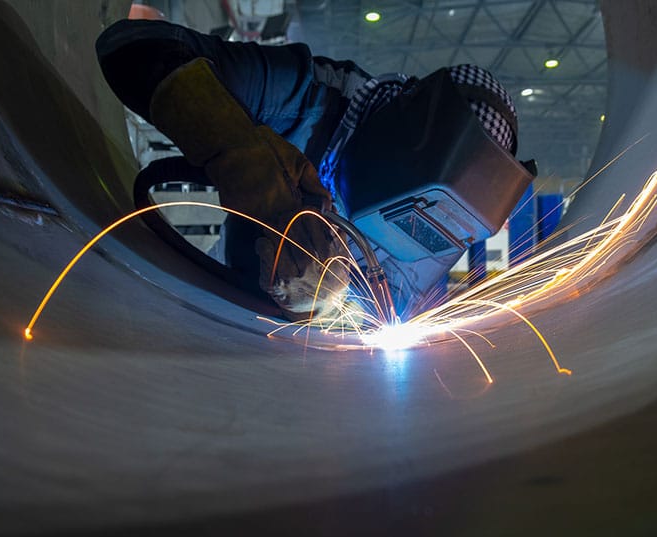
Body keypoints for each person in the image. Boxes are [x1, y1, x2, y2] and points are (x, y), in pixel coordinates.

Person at [95, 18, 524, 320]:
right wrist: (240, 150)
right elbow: (132, 46)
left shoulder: (448, 227)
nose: (419, 226)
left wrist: (322, 307)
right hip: (218, 297)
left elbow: (391, 315)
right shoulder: (310, 98)